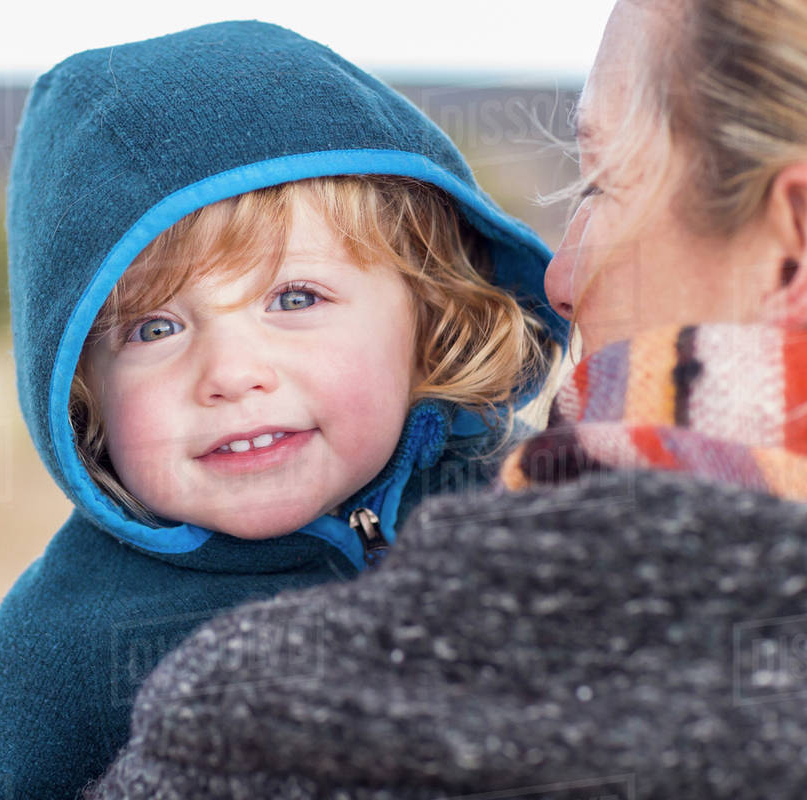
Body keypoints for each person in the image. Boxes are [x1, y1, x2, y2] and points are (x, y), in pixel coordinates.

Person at [87, 1, 807, 798]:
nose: (560, 281)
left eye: (600, 184)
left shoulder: (240, 734)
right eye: (153, 326)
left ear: (796, 236)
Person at [0, 20, 566, 800]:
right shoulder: (72, 633)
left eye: (296, 297)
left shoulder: (525, 498)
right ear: (81, 390)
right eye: (154, 328)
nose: (232, 374)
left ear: (430, 310)